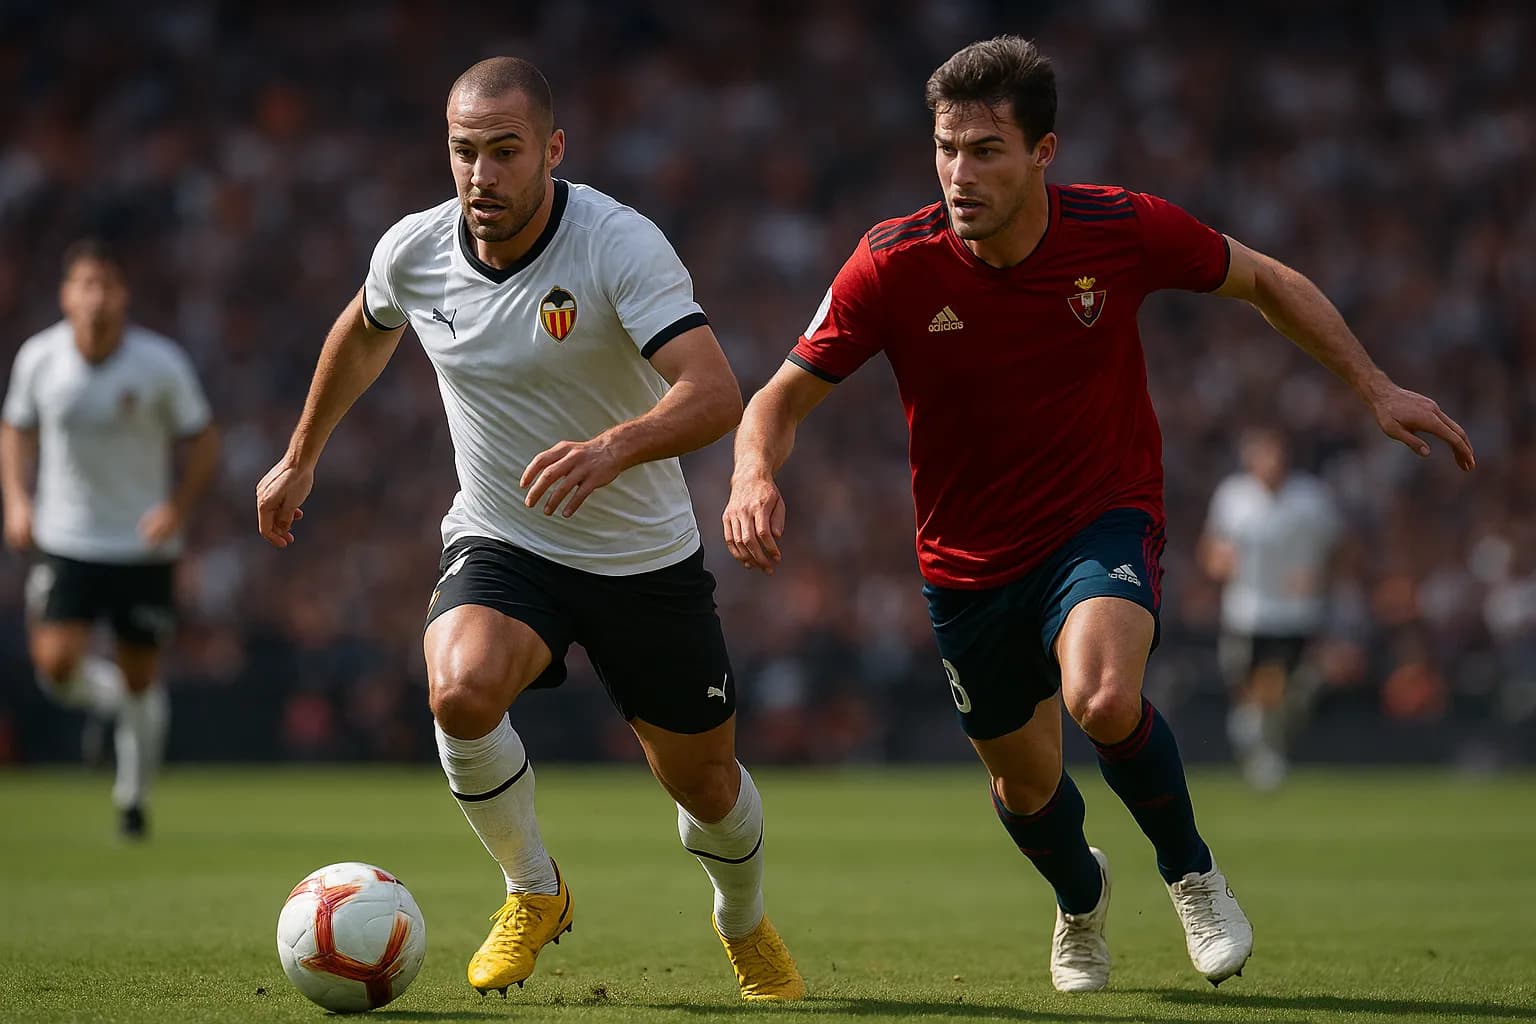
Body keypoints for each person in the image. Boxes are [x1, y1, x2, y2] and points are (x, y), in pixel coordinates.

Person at [724, 35, 1476, 994]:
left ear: (1044, 152)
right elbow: (778, 399)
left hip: (1099, 518)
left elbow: (1264, 279)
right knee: (1024, 786)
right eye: (946, 148)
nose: (959, 173)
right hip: (965, 562)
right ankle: (1081, 898)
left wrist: (1375, 387)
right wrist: (752, 476)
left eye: (986, 150)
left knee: (1104, 699)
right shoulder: (891, 263)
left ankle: (1193, 875)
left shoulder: (1120, 227)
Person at [255, 57, 803, 1002]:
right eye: (464, 152)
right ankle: (533, 888)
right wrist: (303, 454)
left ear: (552, 150)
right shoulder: (416, 250)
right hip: (506, 539)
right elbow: (366, 327)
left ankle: (743, 920)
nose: (482, 175)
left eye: (504, 152)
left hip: (641, 558)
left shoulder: (616, 244)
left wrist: (614, 449)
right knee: (460, 693)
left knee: (707, 787)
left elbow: (716, 393)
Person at [1, 239, 219, 839]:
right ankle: (115, 708)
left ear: (124, 295)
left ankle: (132, 800)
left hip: (141, 546)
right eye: (86, 284)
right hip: (65, 537)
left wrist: (176, 509)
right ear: (66, 295)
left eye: (107, 285)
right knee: (57, 667)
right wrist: (17, 500)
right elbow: (15, 429)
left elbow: (203, 441)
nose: (96, 297)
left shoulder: (160, 364)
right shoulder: (39, 359)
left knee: (141, 673)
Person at [1200, 427, 1341, 791]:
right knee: (1256, 683)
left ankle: (1261, 740)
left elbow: (1336, 548)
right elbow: (1212, 549)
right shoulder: (1233, 497)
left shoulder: (1311, 498)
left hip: (1297, 612)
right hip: (1248, 610)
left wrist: (1318, 575)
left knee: (1291, 688)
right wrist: (1220, 563)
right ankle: (1261, 749)